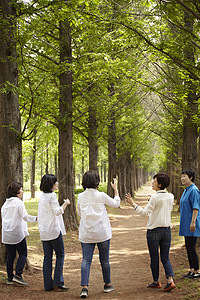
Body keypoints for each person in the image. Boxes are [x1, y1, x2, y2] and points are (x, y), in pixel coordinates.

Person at [125, 173, 176, 292]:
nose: (152, 183)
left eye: (154, 182)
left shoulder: (155, 198)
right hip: (167, 230)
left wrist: (132, 203)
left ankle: (156, 281)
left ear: (160, 184)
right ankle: (170, 280)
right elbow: (164, 208)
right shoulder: (171, 196)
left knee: (154, 257)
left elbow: (144, 213)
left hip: (154, 231)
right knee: (165, 257)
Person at [77, 170, 120, 298]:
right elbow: (116, 204)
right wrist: (115, 189)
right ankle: (107, 284)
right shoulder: (101, 195)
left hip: (86, 234)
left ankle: (84, 288)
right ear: (97, 182)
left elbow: (80, 213)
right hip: (102, 233)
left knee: (86, 260)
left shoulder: (80, 196)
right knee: (104, 260)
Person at [37, 174, 70, 291]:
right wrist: (65, 204)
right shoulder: (52, 196)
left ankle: (47, 285)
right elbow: (58, 211)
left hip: (44, 232)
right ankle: (58, 282)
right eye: (55, 182)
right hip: (54, 231)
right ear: (51, 185)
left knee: (47, 258)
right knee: (60, 255)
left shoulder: (42, 196)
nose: (57, 184)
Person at [1, 181, 37, 285]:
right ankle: (18, 275)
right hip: (17, 233)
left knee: (10, 256)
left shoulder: (5, 204)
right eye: (21, 189)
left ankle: (9, 278)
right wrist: (36, 218)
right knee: (23, 253)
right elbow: (25, 217)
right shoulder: (18, 203)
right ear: (16, 191)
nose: (22, 191)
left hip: (6, 234)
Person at [179, 169, 200, 279]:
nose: (182, 178)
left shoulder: (194, 190)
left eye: (184, 176)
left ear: (191, 177)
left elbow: (196, 207)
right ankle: (191, 270)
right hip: (186, 223)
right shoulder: (186, 190)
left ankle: (197, 271)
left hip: (192, 224)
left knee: (191, 247)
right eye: (181, 176)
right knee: (188, 247)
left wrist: (193, 222)